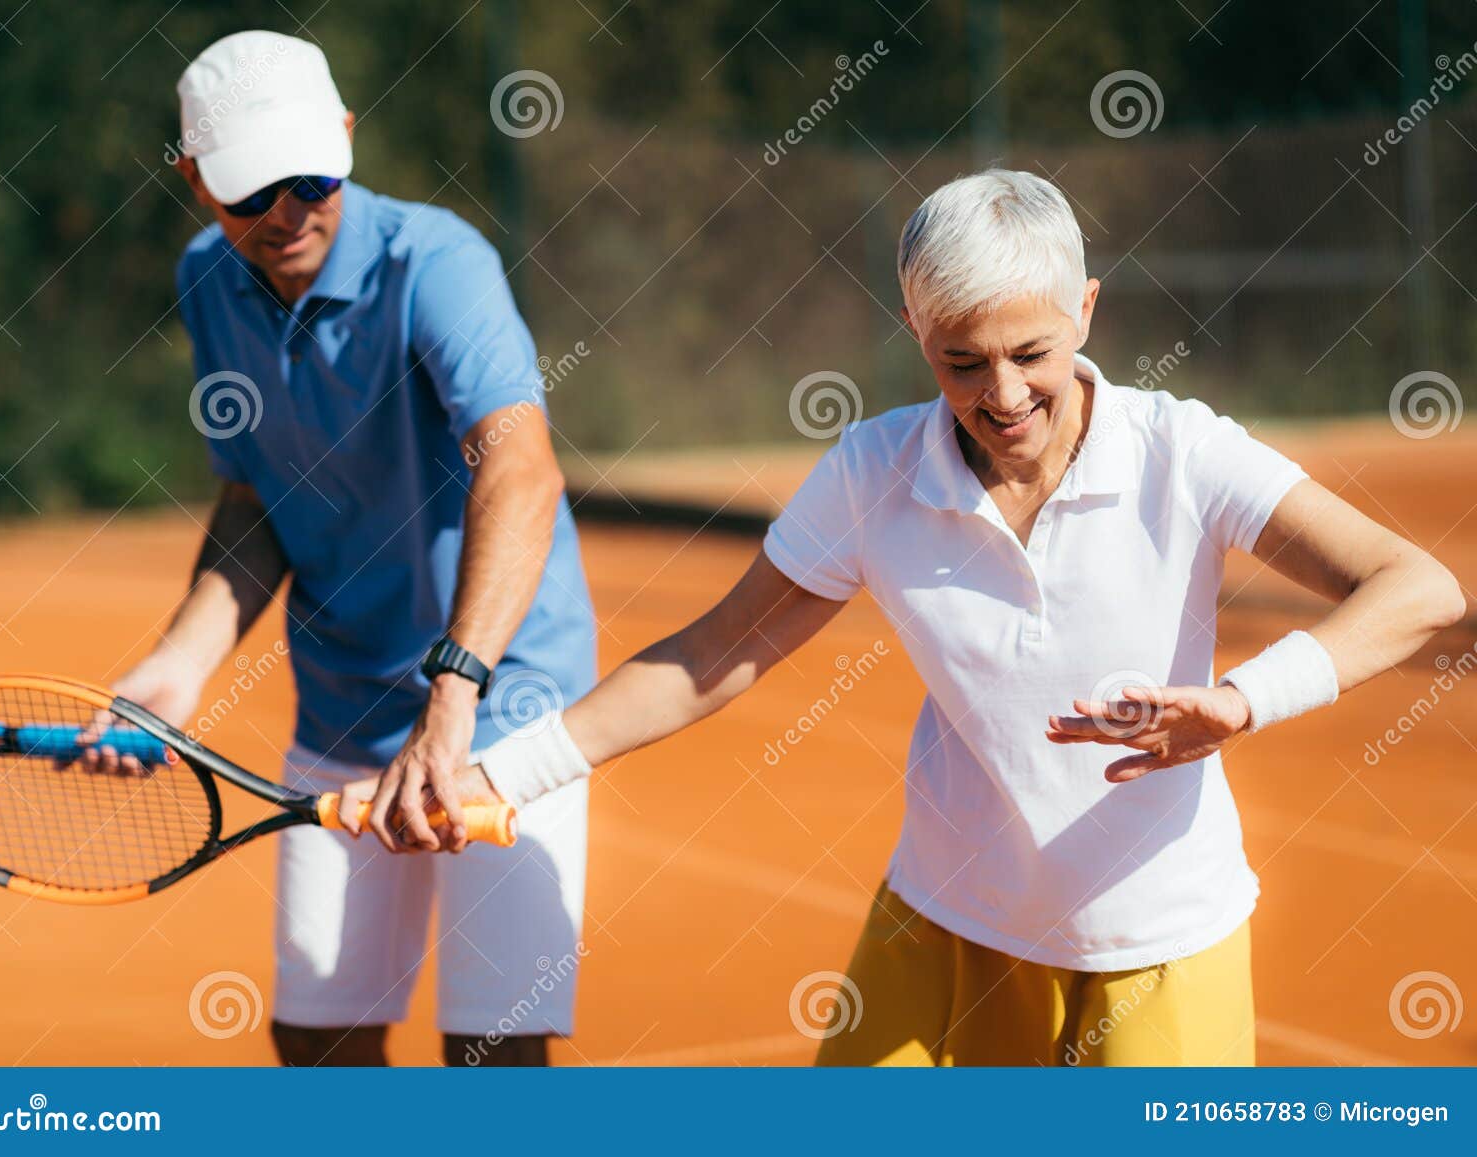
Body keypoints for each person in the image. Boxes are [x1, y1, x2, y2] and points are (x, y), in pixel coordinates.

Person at [391, 169, 1467, 1066]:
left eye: (1030, 353)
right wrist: (501, 772)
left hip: (1160, 939)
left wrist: (1239, 701)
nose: (1001, 394)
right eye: (960, 359)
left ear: (1085, 310)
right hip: (947, 924)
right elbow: (714, 651)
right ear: (915, 329)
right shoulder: (872, 471)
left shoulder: (1181, 452)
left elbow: (1418, 586)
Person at [110, 30, 596, 1067]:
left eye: (310, 174)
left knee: (492, 1054)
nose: (288, 209)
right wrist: (179, 662)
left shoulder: (438, 262)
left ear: (345, 135)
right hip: (344, 698)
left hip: (502, 699)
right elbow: (255, 500)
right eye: (250, 190)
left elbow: (524, 467)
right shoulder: (209, 280)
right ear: (195, 181)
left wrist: (453, 696)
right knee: (318, 1036)